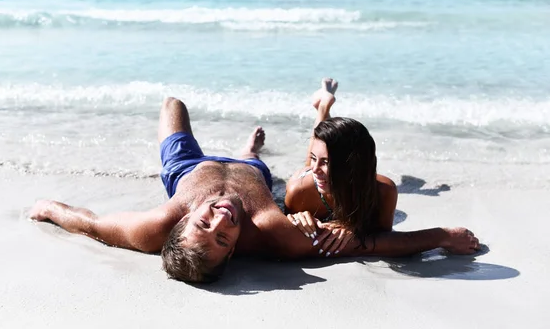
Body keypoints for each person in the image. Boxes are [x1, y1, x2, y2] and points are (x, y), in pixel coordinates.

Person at [29, 96, 481, 284]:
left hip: (189, 167)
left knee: (173, 104)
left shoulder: (154, 227)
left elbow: (90, 224)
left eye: (205, 222)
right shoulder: (271, 231)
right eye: (224, 235)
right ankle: (250, 151)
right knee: (256, 168)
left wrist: (51, 208)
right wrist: (440, 236)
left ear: (183, 219)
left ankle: (248, 148)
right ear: (234, 251)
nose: (222, 217)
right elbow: (369, 243)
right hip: (250, 175)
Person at [285, 78, 400, 256]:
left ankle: (324, 105)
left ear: (352, 166)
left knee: (324, 150)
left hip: (349, 183)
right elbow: (288, 235)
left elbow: (383, 236)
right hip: (304, 180)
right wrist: (293, 220)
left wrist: (353, 228)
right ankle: (323, 107)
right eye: (317, 160)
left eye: (326, 163)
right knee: (311, 160)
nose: (316, 169)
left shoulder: (384, 190)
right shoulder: (299, 192)